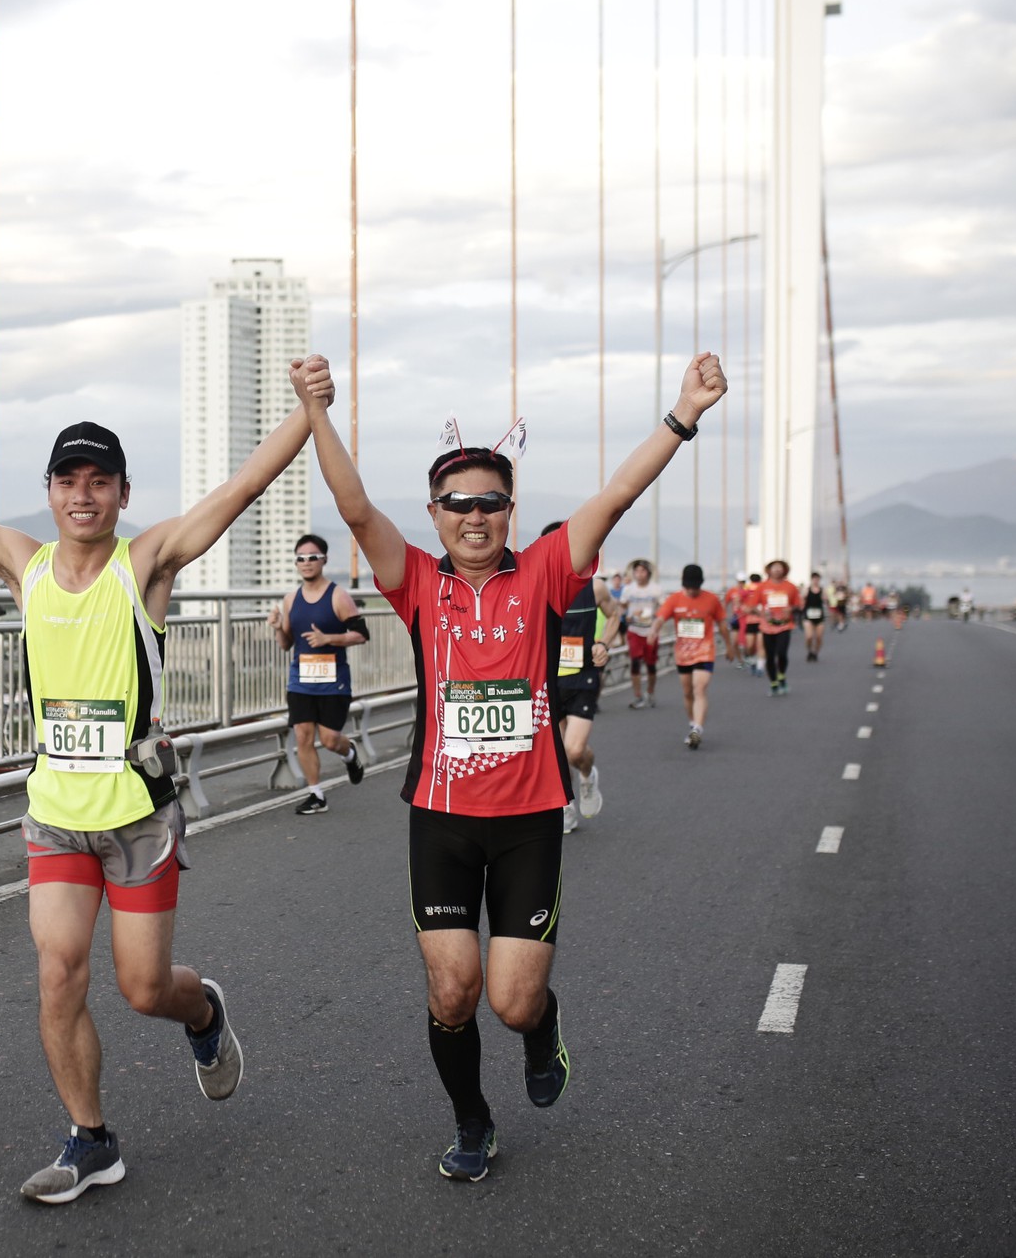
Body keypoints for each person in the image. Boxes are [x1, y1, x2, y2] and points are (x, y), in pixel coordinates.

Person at [0, 352, 334, 1204]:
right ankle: (92, 1140)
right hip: (54, 811)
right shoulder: (25, 564)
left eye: (100, 480)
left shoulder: (147, 564)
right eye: (68, 479)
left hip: (136, 814)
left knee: (143, 987)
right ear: (50, 491)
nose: (83, 494)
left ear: (122, 494)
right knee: (58, 972)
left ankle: (203, 1014)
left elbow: (238, 491)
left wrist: (308, 411)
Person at [292, 345, 727, 1184]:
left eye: (491, 500)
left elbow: (618, 493)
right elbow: (353, 508)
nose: (475, 514)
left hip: (529, 820)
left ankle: (541, 1028)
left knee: (512, 999)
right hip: (442, 817)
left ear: (511, 507)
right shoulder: (416, 581)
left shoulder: (548, 568)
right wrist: (318, 410)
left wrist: (683, 414)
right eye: (458, 502)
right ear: (436, 511)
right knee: (452, 991)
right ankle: (472, 1119)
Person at [269, 533, 369, 814]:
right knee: (302, 735)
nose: (306, 562)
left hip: (333, 681)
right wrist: (277, 626)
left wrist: (329, 639)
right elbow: (286, 644)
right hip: (300, 679)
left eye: (312, 557)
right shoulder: (290, 599)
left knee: (329, 740)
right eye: (301, 558)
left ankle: (349, 753)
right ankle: (316, 795)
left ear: (323, 560)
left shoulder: (338, 596)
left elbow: (362, 634)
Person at [542, 520, 621, 833]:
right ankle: (565, 807)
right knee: (557, 752)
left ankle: (588, 777)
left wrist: (604, 643)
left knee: (574, 750)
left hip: (583, 676)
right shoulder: (536, 587)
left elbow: (615, 615)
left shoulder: (595, 587)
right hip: (547, 678)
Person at [657, 564, 727, 748]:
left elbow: (723, 624)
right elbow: (660, 618)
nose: (691, 591)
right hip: (683, 654)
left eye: (694, 587)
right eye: (688, 587)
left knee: (699, 689)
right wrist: (652, 632)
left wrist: (730, 647)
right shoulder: (674, 599)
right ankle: (692, 723)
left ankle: (697, 728)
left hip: (705, 651)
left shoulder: (711, 600)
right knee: (687, 692)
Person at [619, 559, 664, 709]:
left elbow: (663, 609)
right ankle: (638, 695)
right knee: (635, 663)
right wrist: (625, 616)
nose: (639, 574)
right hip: (634, 631)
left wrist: (655, 621)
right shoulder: (628, 589)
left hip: (650, 631)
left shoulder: (655, 589)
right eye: (637, 571)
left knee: (651, 665)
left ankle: (650, 691)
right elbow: (623, 606)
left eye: (642, 571)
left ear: (648, 573)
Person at [759, 559, 803, 695]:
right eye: (774, 567)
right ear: (769, 570)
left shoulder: (790, 587)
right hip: (767, 627)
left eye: (780, 567)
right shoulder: (762, 587)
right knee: (770, 656)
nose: (777, 570)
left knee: (782, 653)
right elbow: (750, 607)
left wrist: (791, 609)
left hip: (785, 626)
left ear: (784, 570)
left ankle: (782, 675)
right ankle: (773, 683)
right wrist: (762, 612)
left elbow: (799, 605)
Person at [801, 571, 829, 662]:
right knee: (809, 637)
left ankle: (815, 653)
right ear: (811, 579)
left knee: (818, 637)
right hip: (808, 616)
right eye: (814, 579)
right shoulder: (807, 589)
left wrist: (825, 599)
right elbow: (801, 600)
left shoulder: (822, 590)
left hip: (819, 616)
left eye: (817, 579)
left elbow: (827, 601)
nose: (816, 581)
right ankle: (809, 651)